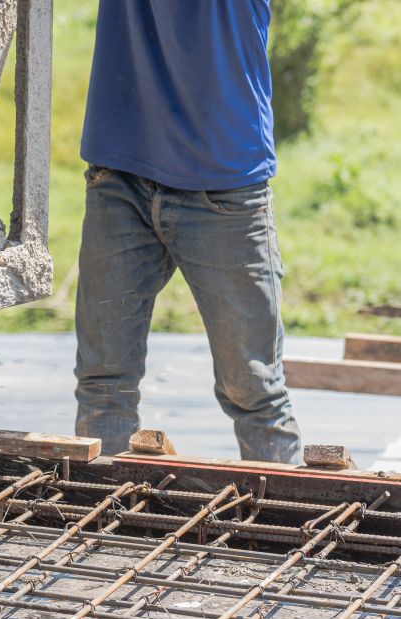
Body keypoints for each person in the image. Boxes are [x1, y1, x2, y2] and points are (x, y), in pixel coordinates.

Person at [74, 0, 301, 464]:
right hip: (120, 171)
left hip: (224, 183)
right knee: (103, 383)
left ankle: (287, 520)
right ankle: (103, 527)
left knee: (255, 391)